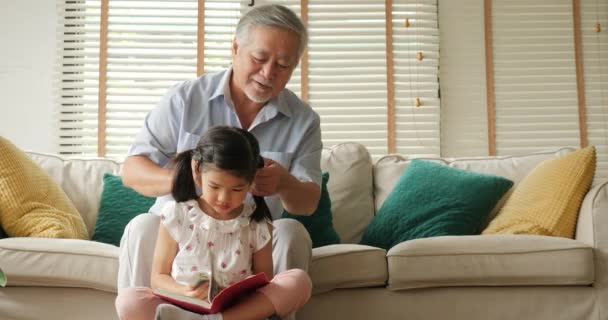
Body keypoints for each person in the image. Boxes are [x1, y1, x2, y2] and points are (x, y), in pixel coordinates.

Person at [117, 4, 321, 319]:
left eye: (283, 64)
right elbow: (131, 170)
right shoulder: (185, 99)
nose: (268, 73)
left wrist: (284, 183)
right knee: (142, 225)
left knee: (292, 230)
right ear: (236, 48)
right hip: (182, 237)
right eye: (259, 58)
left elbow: (308, 202)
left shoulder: (303, 120)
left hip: (252, 241)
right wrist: (191, 182)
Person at [115, 126, 312, 320]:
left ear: (251, 181)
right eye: (215, 187)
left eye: (237, 189)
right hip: (184, 304)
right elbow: (158, 278)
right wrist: (185, 291)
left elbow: (264, 284)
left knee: (298, 282)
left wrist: (236, 294)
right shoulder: (177, 214)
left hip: (235, 312)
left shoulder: (256, 223)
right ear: (197, 171)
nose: (224, 198)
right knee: (129, 301)